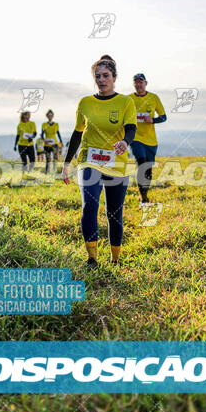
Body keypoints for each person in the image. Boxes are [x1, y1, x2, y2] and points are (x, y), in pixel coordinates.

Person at [62, 55, 137, 269]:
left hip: (117, 163)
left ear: (114, 77)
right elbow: (77, 134)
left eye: (105, 76)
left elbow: (131, 128)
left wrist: (125, 141)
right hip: (89, 161)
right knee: (90, 205)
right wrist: (67, 163)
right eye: (98, 76)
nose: (101, 80)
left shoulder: (125, 102)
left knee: (114, 213)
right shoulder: (85, 102)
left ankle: (115, 259)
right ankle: (92, 259)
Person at [128, 73, 167, 203]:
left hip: (151, 140)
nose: (138, 84)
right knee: (142, 163)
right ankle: (142, 196)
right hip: (135, 138)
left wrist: (152, 120)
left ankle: (145, 194)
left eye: (141, 82)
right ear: (134, 84)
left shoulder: (154, 98)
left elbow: (164, 117)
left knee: (148, 168)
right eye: (136, 82)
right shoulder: (128, 99)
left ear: (146, 83)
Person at [41, 110, 62, 174]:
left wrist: (61, 141)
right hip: (47, 144)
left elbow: (58, 133)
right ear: (47, 116)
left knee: (55, 159)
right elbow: (42, 135)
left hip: (54, 144)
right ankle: (47, 172)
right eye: (49, 115)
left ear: (53, 116)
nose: (50, 116)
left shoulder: (56, 124)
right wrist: (44, 140)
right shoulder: (44, 124)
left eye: (51, 115)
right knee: (48, 159)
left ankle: (54, 171)